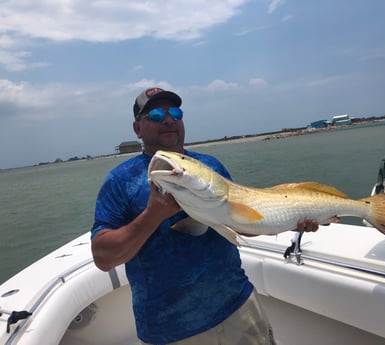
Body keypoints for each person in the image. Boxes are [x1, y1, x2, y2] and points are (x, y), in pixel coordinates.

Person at [90, 87, 320, 345]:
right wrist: (152, 215)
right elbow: (103, 257)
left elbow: (239, 222)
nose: (168, 120)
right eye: (155, 115)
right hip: (169, 331)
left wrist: (292, 220)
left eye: (175, 113)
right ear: (137, 129)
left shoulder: (211, 166)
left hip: (238, 307)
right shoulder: (120, 181)